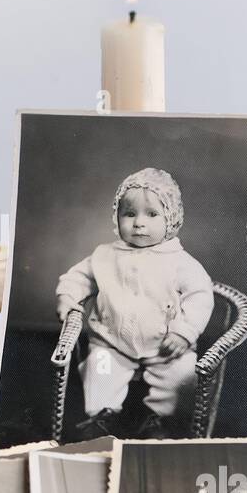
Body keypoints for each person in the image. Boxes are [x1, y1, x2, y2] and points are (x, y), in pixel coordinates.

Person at [56, 167, 214, 436]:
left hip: (165, 347)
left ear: (171, 219)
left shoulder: (180, 262)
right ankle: (102, 416)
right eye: (129, 214)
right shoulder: (104, 255)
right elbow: (77, 277)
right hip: (112, 342)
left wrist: (184, 333)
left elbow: (200, 296)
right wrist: (66, 297)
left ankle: (161, 420)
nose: (139, 223)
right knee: (100, 366)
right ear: (117, 217)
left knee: (183, 374)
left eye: (152, 214)